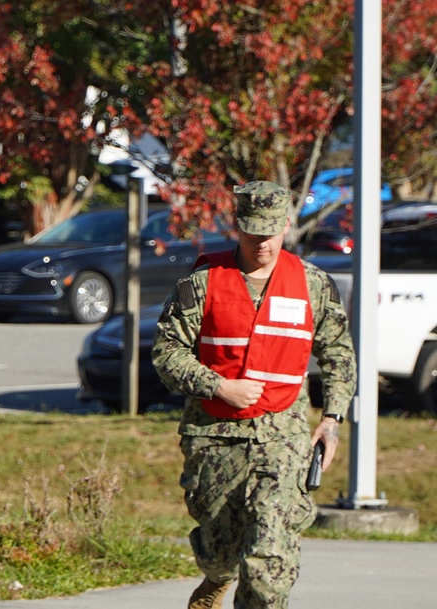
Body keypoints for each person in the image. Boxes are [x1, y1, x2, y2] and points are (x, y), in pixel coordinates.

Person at [151, 181, 356, 609]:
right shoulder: (204, 282)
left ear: (286, 225)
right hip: (214, 435)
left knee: (269, 562)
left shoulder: (313, 285)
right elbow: (167, 352)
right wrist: (219, 386)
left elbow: (338, 353)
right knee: (221, 549)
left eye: (270, 233)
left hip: (283, 437)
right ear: (236, 228)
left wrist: (332, 421)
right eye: (251, 233)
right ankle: (216, 578)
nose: (261, 243)